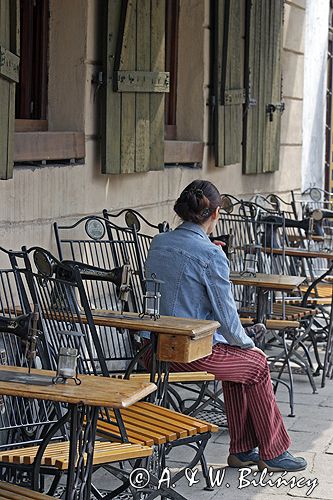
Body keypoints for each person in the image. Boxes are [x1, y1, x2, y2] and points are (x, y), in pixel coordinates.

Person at [144, 179, 307, 473]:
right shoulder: (211, 254)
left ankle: (243, 451)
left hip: (150, 349)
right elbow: (227, 317)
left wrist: (239, 343)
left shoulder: (159, 242)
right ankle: (273, 451)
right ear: (216, 214)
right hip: (185, 354)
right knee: (255, 363)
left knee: (240, 364)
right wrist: (249, 344)